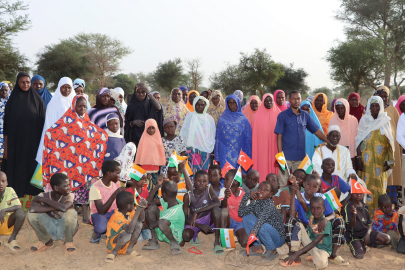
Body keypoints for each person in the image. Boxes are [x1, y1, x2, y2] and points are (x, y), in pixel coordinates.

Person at [284, 174, 348, 266]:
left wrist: (326, 219)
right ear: (304, 184)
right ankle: (292, 252)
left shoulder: (321, 197)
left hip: (320, 226)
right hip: (305, 228)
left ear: (318, 188)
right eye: (309, 184)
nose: (311, 188)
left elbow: (332, 214)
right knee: (290, 221)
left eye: (315, 186)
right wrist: (294, 191)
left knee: (340, 221)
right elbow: (292, 215)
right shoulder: (299, 196)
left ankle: (333, 255)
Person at [2, 72, 46, 199]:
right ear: (17, 83)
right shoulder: (12, 102)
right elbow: (6, 127)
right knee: (15, 170)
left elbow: (43, 124)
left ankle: (30, 198)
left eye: (28, 82)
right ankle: (14, 197)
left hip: (33, 145)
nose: (25, 84)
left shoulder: (38, 100)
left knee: (30, 170)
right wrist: (6, 147)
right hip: (15, 145)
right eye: (22, 82)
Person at [275, 91, 327, 188]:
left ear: (301, 100)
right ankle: (281, 203)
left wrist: (327, 141)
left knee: (297, 184)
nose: (296, 101)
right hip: (286, 156)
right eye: (293, 99)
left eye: (298, 99)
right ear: (289, 100)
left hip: (299, 157)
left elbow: (316, 130)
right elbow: (279, 136)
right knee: (282, 184)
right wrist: (280, 156)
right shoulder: (282, 116)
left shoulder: (305, 115)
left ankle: (295, 202)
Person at [355, 96, 394, 214]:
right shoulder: (364, 121)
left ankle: (379, 216)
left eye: (377, 106)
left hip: (380, 163)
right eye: (372, 106)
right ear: (369, 107)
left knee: (380, 188)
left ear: (381, 107)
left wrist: (390, 161)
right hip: (365, 163)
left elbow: (390, 144)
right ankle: (366, 216)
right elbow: (359, 140)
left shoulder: (385, 121)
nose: (375, 108)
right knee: (365, 188)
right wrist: (358, 158)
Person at [35, 77, 76, 183]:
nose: (66, 90)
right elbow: (49, 125)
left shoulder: (76, 103)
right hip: (56, 143)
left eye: (69, 88)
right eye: (64, 87)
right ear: (59, 88)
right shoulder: (52, 105)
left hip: (73, 142)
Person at [28, 173, 78, 253]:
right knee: (32, 215)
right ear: (56, 188)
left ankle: (68, 241)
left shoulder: (70, 195)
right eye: (65, 186)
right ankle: (46, 241)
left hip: (63, 230)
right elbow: (32, 209)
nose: (68, 188)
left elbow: (64, 208)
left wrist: (44, 200)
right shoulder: (43, 194)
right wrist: (57, 206)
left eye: (68, 185)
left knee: (71, 212)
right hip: (49, 228)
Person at [281, 196, 335, 269]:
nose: (315, 210)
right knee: (298, 225)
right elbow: (301, 200)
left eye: (318, 208)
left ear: (324, 208)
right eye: (313, 208)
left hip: (323, 250)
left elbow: (315, 242)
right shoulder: (311, 215)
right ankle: (294, 253)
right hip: (310, 246)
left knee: (321, 264)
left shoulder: (325, 223)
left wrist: (297, 254)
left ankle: (314, 257)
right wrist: (295, 191)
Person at [238, 181, 286, 260]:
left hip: (278, 239)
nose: (261, 191)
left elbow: (261, 220)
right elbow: (241, 213)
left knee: (262, 224)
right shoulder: (256, 202)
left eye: (266, 190)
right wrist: (247, 195)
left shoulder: (269, 205)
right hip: (265, 232)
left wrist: (253, 231)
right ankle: (257, 247)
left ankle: (272, 249)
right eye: (260, 188)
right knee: (246, 217)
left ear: (271, 194)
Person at [182, 170, 222, 254]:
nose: (201, 183)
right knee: (186, 236)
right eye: (198, 180)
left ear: (208, 182)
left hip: (208, 217)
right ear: (194, 181)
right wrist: (200, 226)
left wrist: (197, 211)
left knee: (216, 209)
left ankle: (217, 241)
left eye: (204, 181)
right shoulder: (188, 196)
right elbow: (184, 219)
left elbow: (217, 202)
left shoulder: (208, 188)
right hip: (195, 221)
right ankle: (195, 233)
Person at [375, 86, 402, 207]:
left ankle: (391, 205)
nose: (383, 98)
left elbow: (398, 129)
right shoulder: (373, 109)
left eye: (385, 96)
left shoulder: (393, 110)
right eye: (381, 96)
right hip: (378, 148)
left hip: (393, 147)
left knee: (391, 175)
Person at [143, 179, 185, 255]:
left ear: (165, 194)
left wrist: (146, 212)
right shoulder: (170, 200)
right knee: (152, 207)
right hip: (165, 230)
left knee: (162, 222)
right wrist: (157, 186)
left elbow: (152, 225)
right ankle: (154, 241)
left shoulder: (175, 210)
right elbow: (149, 202)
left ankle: (174, 243)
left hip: (176, 236)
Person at [342, 192, 390, 259]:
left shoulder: (365, 206)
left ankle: (364, 243)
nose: (358, 195)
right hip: (353, 235)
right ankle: (359, 244)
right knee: (359, 255)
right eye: (356, 193)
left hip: (364, 232)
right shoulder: (348, 207)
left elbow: (369, 223)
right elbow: (351, 226)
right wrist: (354, 215)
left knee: (387, 239)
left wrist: (367, 234)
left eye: (360, 193)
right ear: (351, 194)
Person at [89, 160, 125, 243]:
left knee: (124, 224)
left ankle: (109, 232)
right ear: (109, 173)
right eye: (117, 173)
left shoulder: (117, 184)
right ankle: (97, 234)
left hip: (113, 212)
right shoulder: (96, 187)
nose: (119, 176)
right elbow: (101, 211)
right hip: (99, 214)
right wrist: (115, 194)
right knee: (101, 227)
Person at [105, 191, 146, 263]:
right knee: (127, 234)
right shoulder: (116, 217)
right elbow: (129, 230)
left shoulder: (129, 212)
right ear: (128, 206)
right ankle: (114, 252)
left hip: (125, 242)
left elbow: (142, 219)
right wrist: (137, 211)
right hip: (114, 245)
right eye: (133, 204)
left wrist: (142, 208)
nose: (134, 205)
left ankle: (129, 249)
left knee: (139, 224)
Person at [215, 94, 252, 171]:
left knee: (238, 177)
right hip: (225, 153)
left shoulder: (243, 120)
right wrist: (217, 156)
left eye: (234, 103)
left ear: (238, 104)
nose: (232, 105)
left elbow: (248, 139)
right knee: (226, 176)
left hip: (240, 152)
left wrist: (248, 154)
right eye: (230, 103)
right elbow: (218, 138)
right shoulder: (222, 119)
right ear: (227, 104)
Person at [180, 96, 216, 174]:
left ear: (205, 106)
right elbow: (184, 133)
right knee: (191, 171)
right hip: (192, 149)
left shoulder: (210, 119)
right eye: (197, 104)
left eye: (202, 105)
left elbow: (212, 136)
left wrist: (212, 150)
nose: (199, 107)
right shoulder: (189, 117)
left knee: (204, 172)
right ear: (194, 105)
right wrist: (183, 149)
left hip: (205, 150)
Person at [252, 93, 280, 181]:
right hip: (261, 149)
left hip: (275, 147)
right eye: (266, 100)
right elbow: (254, 136)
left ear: (273, 101)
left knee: (274, 167)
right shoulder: (256, 117)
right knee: (262, 166)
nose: (268, 102)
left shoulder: (279, 115)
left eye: (270, 100)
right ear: (262, 102)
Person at [219, 169, 248, 248]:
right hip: (228, 220)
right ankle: (225, 239)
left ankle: (236, 235)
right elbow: (223, 206)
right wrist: (225, 197)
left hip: (240, 223)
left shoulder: (244, 195)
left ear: (235, 181)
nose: (224, 181)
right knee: (224, 211)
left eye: (227, 179)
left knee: (244, 243)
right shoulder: (224, 190)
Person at [0, 172, 25, 251]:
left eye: (3, 181)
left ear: (7, 183)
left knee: (21, 213)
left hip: (7, 223)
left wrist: (4, 210)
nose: (1, 184)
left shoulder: (10, 190)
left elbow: (18, 206)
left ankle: (12, 239)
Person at [0, 82, 10, 161]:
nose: (4, 92)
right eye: (2, 90)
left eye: (6, 90)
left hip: (8, 131)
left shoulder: (12, 102)